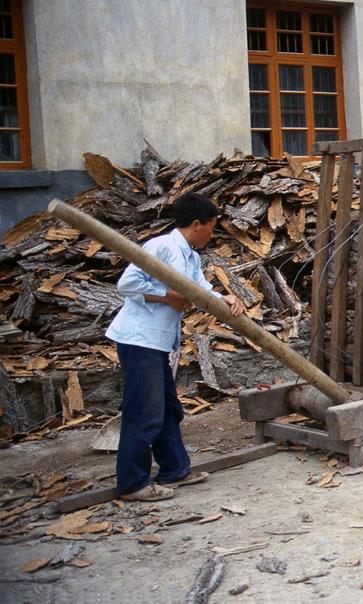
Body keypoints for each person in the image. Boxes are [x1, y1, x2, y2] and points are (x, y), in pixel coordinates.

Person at [106, 193, 244, 501]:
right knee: (144, 411)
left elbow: (198, 288)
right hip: (139, 338)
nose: (213, 232)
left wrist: (224, 297)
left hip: (158, 341)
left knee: (168, 409)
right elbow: (127, 284)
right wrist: (166, 296)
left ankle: (174, 469)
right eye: (211, 226)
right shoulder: (162, 246)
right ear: (197, 224)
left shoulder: (190, 255)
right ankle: (132, 483)